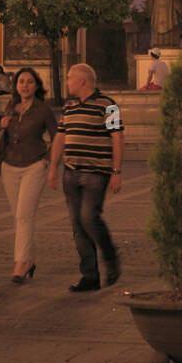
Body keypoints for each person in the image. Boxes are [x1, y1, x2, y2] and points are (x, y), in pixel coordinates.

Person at [48, 62, 123, 293]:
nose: (67, 81)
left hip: (95, 173)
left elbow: (117, 138)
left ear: (82, 81)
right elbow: (61, 137)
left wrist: (116, 172)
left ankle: (110, 257)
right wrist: (53, 167)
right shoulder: (69, 106)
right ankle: (89, 275)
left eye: (70, 77)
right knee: (77, 225)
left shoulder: (108, 105)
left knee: (89, 217)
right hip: (71, 173)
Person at [0, 67, 58, 284]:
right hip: (9, 166)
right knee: (19, 217)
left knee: (24, 215)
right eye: (21, 82)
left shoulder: (43, 110)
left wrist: (47, 161)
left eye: (29, 82)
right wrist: (1, 124)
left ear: (36, 85)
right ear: (16, 86)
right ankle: (30, 260)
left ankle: (20, 263)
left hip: (34, 165)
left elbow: (58, 137)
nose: (25, 85)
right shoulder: (10, 107)